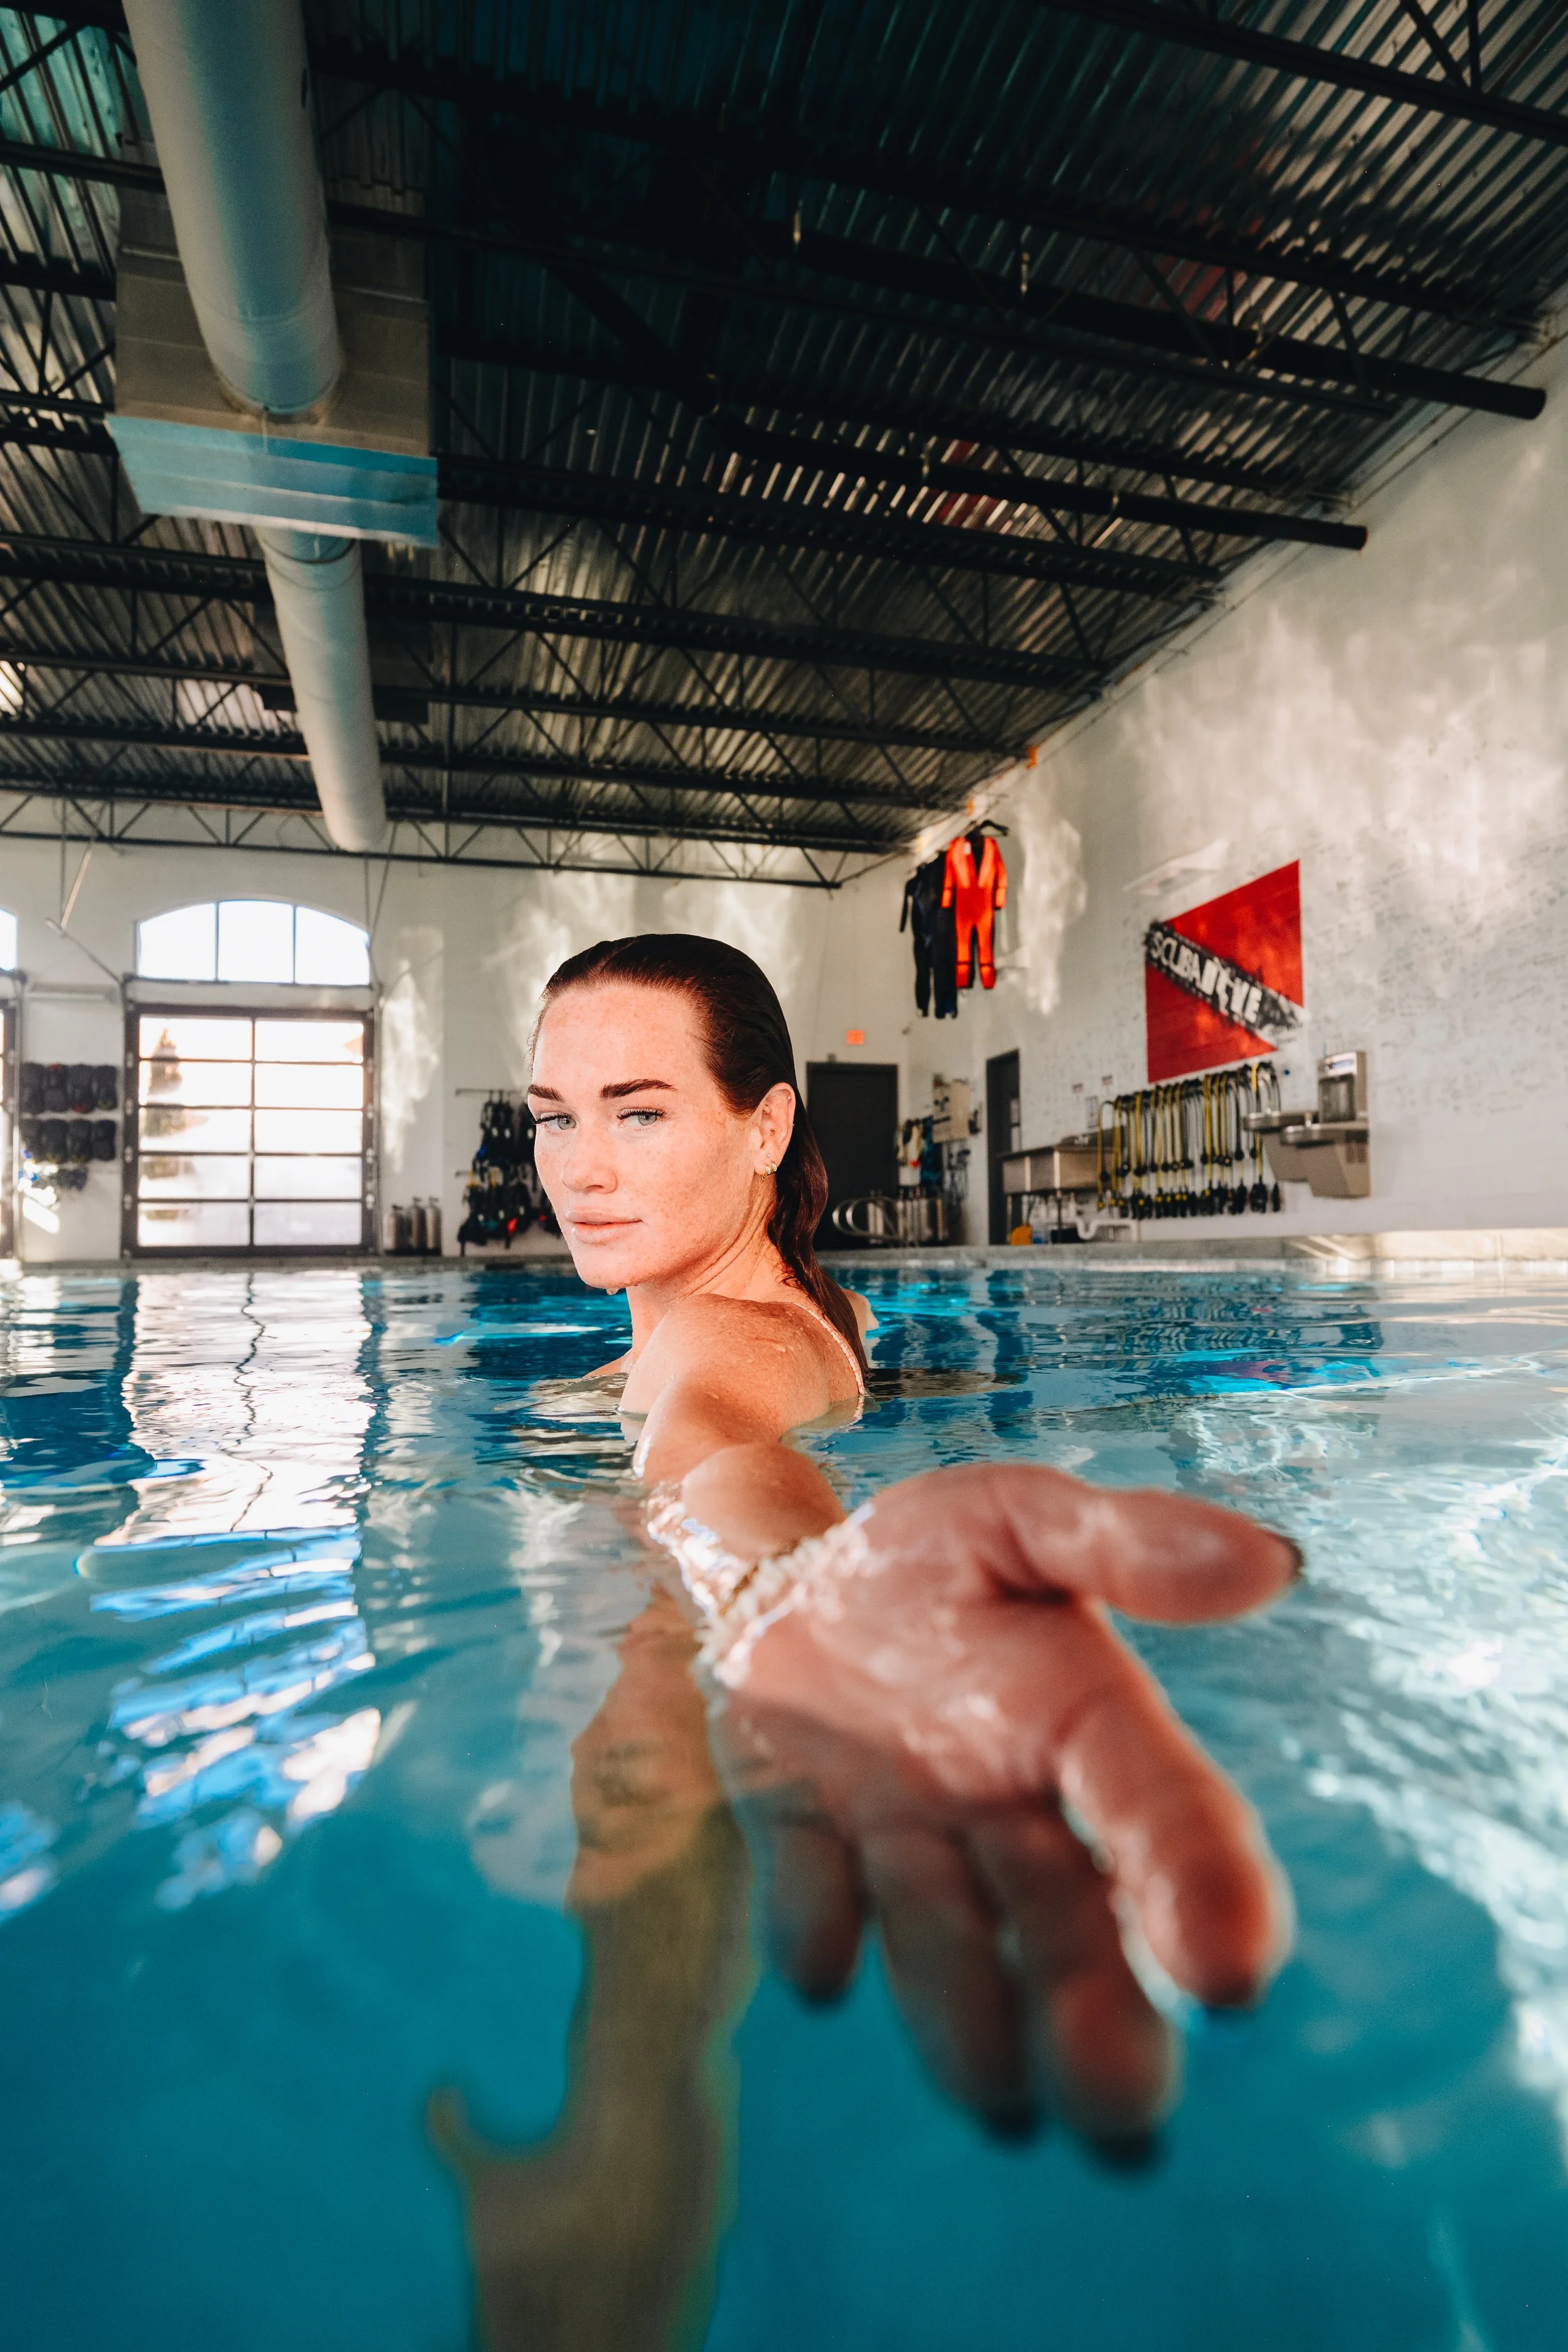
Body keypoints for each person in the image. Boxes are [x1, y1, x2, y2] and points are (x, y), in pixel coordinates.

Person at [437, 932, 1298, 2347]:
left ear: (763, 1123)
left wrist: (783, 1595)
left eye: (639, 1111)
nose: (578, 1168)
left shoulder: (721, 1357)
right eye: (554, 1116)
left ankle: (623, 2191)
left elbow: (714, 1448)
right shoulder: (783, 1307)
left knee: (634, 1771)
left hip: (700, 1645)